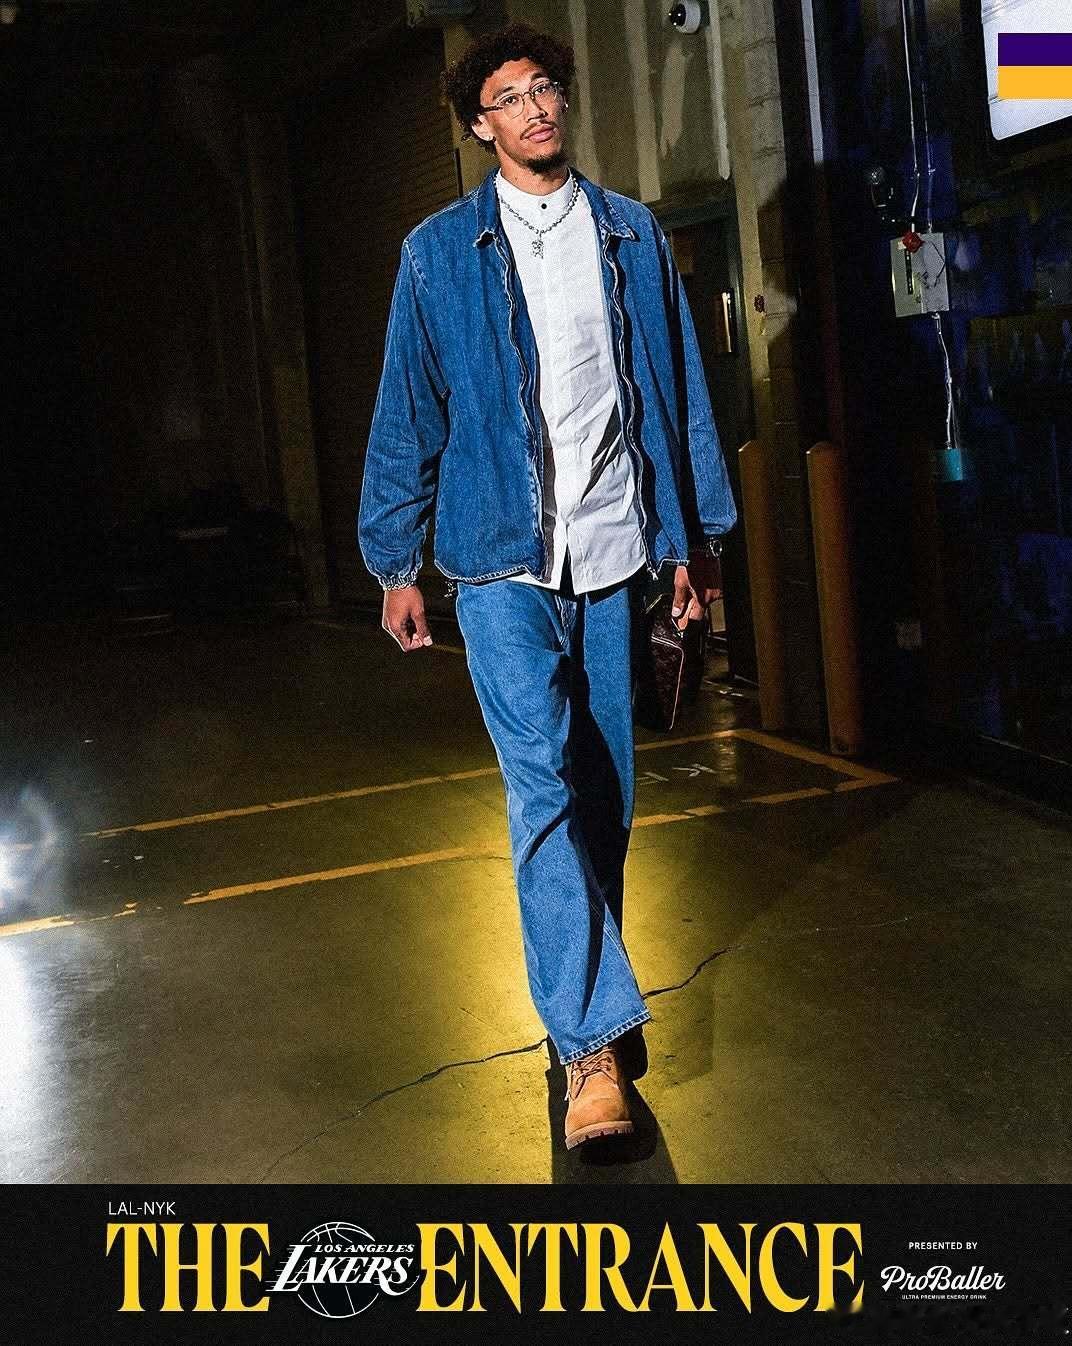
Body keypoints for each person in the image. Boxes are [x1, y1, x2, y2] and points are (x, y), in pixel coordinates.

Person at [358, 23, 735, 1149]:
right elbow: (408, 408)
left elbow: (676, 393)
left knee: (605, 798)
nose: (536, 108)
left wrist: (693, 541)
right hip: (496, 563)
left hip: (613, 555)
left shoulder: (630, 233)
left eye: (546, 89)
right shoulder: (438, 253)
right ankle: (591, 1053)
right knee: (543, 793)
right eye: (510, 97)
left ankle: (584, 1004)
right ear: (481, 127)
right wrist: (395, 560)